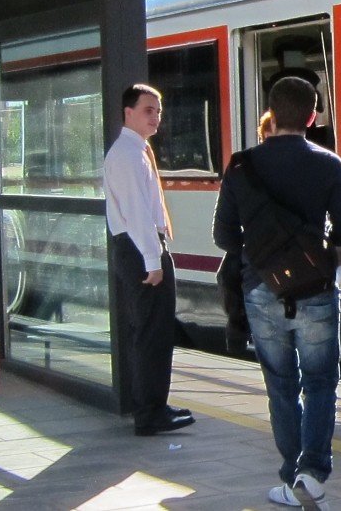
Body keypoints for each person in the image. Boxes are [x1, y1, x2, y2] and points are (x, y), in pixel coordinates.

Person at [213, 76, 341, 509]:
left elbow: (224, 236)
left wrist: (264, 249)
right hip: (314, 290)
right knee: (320, 382)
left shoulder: (241, 166)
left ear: (271, 114)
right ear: (313, 116)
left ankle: (289, 475)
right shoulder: (328, 163)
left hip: (261, 289)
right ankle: (312, 474)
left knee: (279, 384)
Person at [102, 84, 193, 436]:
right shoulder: (127, 154)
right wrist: (154, 261)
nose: (156, 117)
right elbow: (137, 213)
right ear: (128, 112)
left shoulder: (135, 150)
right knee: (151, 333)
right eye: (148, 110)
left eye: (158, 110)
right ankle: (150, 411)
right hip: (140, 248)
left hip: (139, 246)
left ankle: (154, 405)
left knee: (152, 331)